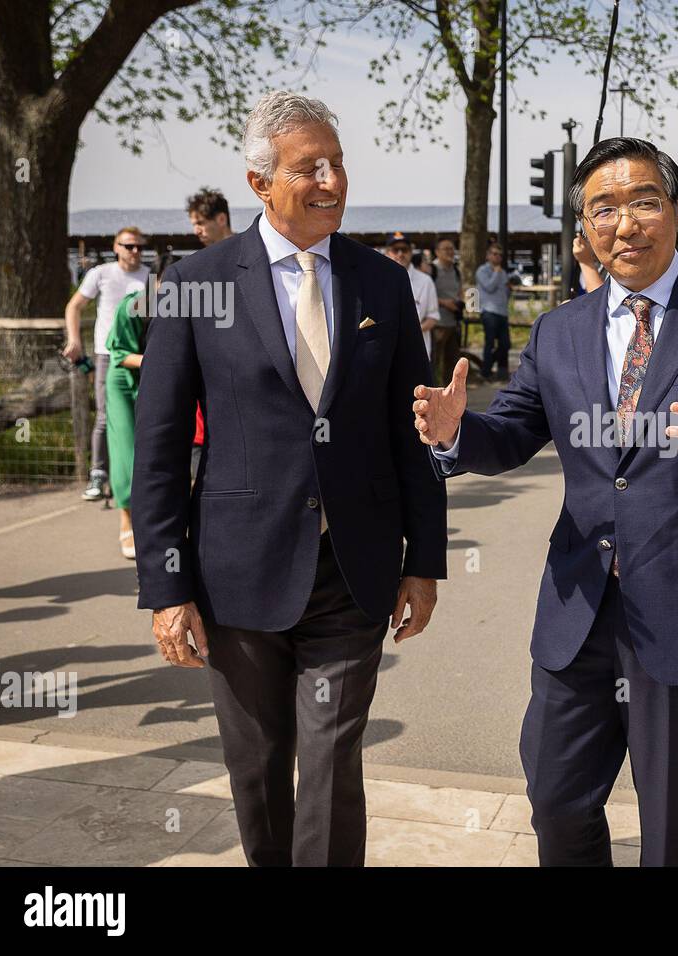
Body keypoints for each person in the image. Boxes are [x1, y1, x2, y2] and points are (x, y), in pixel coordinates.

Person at [413, 136, 678, 866]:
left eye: (643, 201)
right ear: (582, 228)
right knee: (554, 799)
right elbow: (513, 432)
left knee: (674, 829)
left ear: (676, 210)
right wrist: (456, 434)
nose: (623, 223)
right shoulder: (559, 331)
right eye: (601, 208)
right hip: (579, 606)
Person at [131, 90, 447, 867]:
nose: (333, 180)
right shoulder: (196, 284)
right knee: (258, 767)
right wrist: (166, 587)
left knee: (334, 761)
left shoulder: (383, 283)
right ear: (258, 182)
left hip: (355, 569)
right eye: (311, 167)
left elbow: (415, 435)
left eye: (339, 164)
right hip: (237, 574)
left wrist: (425, 560)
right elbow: (161, 449)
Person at [64, 227, 150, 502]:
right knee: (105, 415)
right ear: (116, 247)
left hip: (140, 355)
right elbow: (74, 306)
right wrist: (75, 340)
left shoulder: (149, 276)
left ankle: (133, 474)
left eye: (138, 247)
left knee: (138, 418)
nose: (134, 251)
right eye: (128, 246)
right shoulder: (100, 273)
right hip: (108, 353)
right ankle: (98, 474)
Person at [186, 188, 235, 480]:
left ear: (221, 219)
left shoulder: (255, 258)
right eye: (193, 223)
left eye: (201, 222)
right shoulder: (199, 269)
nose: (196, 230)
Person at [104, 285, 151, 559]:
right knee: (126, 452)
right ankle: (126, 517)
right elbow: (119, 354)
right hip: (123, 381)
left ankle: (149, 522)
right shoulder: (132, 306)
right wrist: (161, 361)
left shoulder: (187, 304)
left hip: (152, 378)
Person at [385, 232, 440, 360]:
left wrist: (409, 333)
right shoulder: (377, 280)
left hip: (416, 350)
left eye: (404, 249)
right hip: (387, 351)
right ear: (388, 252)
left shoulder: (426, 281)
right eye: (395, 250)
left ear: (411, 252)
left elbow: (433, 317)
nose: (400, 254)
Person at [475, 243, 514, 381]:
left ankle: (493, 369)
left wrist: (509, 288)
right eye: (494, 254)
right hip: (489, 311)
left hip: (502, 312)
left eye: (500, 254)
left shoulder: (503, 272)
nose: (497, 257)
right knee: (490, 343)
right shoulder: (482, 271)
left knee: (506, 344)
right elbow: (490, 287)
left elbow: (506, 291)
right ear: (488, 255)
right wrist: (497, 273)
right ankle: (486, 372)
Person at [429, 237, 463, 385]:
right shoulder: (432, 270)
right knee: (434, 362)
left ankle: (450, 394)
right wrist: (444, 303)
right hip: (437, 324)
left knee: (452, 363)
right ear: (437, 252)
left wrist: (459, 302)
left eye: (452, 248)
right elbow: (424, 297)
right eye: (446, 249)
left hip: (453, 323)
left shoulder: (456, 270)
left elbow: (460, 291)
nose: (450, 252)